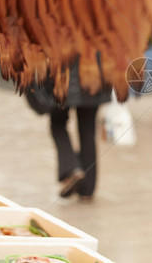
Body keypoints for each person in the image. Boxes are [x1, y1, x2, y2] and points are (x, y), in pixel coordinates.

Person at [26, 59, 112, 200]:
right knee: (88, 131)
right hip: (93, 75)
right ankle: (87, 191)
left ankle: (71, 168)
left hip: (62, 78)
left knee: (58, 124)